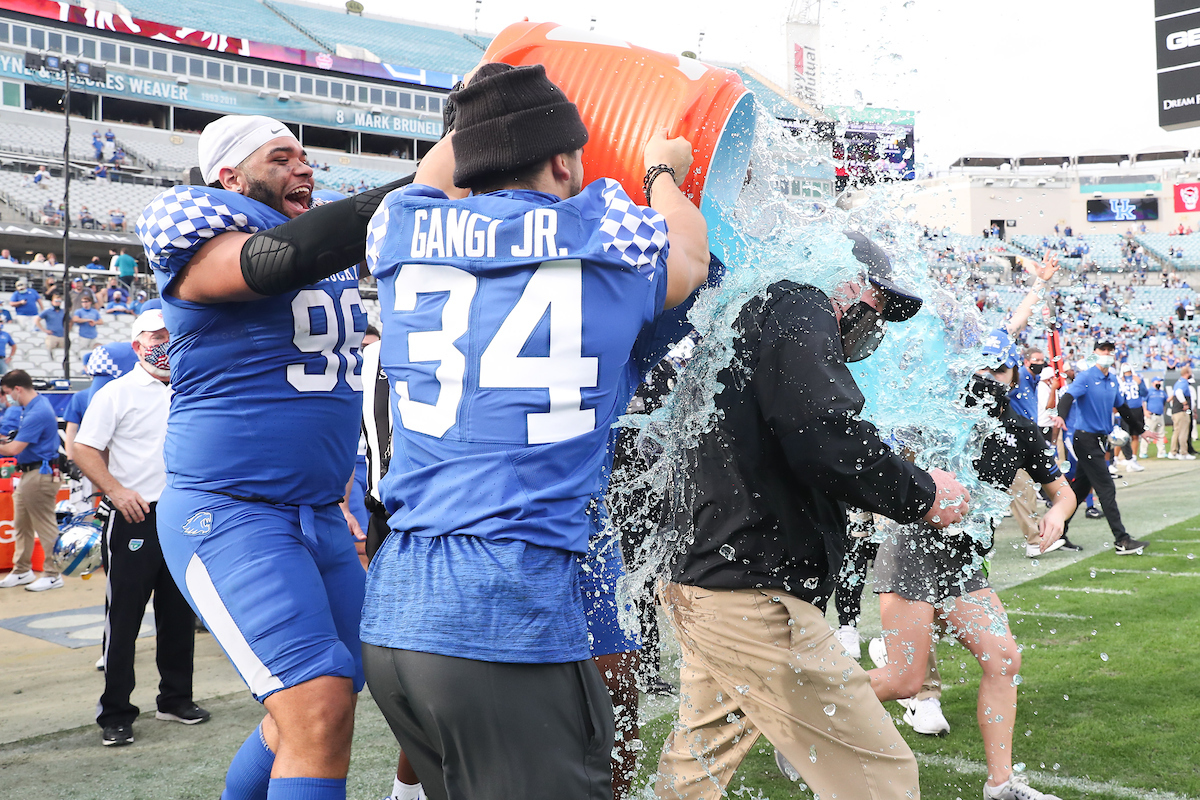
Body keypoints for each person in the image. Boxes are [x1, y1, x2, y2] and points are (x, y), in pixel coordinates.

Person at [361, 63, 709, 800]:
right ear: (562, 160)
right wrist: (661, 172)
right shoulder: (608, 228)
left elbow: (440, 167)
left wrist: (485, 102)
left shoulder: (398, 226)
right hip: (504, 613)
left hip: (396, 610)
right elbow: (692, 256)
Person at [136, 112, 413, 800]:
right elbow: (279, 259)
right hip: (231, 514)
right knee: (315, 710)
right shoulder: (199, 235)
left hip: (316, 513)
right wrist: (427, 180)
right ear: (229, 177)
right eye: (281, 156)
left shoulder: (321, 241)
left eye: (305, 156)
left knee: (364, 688)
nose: (304, 168)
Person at [653, 232, 967, 800]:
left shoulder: (752, 311)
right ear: (847, 282)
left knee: (695, 771)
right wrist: (922, 492)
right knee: (880, 777)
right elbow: (822, 432)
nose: (875, 325)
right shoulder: (799, 305)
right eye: (876, 307)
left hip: (710, 578)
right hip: (754, 592)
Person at [868, 328, 1075, 800]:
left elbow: (1061, 491)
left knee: (1004, 660)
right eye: (980, 369)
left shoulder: (1022, 430)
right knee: (905, 680)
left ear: (1013, 372)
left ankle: (1000, 785)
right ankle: (807, 717)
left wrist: (1057, 516)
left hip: (964, 565)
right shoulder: (938, 419)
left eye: (998, 369)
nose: (989, 380)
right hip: (912, 554)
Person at [74, 309, 210, 747]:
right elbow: (83, 448)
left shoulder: (192, 388)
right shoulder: (117, 393)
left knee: (178, 613)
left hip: (182, 517)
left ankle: (175, 698)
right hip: (135, 516)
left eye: (171, 334)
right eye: (155, 336)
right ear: (136, 345)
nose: (165, 342)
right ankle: (116, 712)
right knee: (125, 618)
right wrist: (115, 491)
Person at [1053, 342, 1150, 554]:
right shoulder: (1086, 377)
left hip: (1099, 440)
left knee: (1078, 492)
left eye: (1109, 351)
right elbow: (1068, 397)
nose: (1106, 354)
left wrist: (1141, 430)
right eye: (1102, 351)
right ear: (1094, 353)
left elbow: (1123, 408)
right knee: (1106, 487)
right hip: (1085, 439)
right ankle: (1121, 540)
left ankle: (1056, 534)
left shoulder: (1112, 380)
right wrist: (1061, 415)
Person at [0, 370, 65, 591]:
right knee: (22, 525)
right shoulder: (35, 406)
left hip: (39, 474)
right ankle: (22, 570)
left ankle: (53, 573)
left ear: (17, 389)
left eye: (7, 393)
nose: (8, 397)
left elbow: (13, 448)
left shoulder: (37, 412)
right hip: (30, 473)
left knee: (45, 526)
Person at [1115, 364, 1147, 471]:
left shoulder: (1137, 378)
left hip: (1137, 409)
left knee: (1135, 435)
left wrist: (1140, 383)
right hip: (1125, 409)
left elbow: (1144, 393)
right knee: (1122, 436)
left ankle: (1132, 460)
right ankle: (1114, 460)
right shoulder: (1119, 380)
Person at [1168, 366, 1195, 459]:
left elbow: (1173, 395)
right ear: (1187, 373)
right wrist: (1184, 403)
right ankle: (1183, 452)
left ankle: (1173, 452)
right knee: (1183, 432)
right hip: (1181, 411)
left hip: (1175, 411)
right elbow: (1179, 393)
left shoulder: (1178, 382)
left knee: (1176, 431)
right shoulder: (1184, 383)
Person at [36, 293, 66, 360]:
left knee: (62, 354)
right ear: (52, 302)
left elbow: (70, 321)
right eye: (56, 301)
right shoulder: (48, 311)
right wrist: (44, 330)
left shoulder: (63, 312)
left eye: (59, 302)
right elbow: (37, 320)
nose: (57, 303)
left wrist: (67, 330)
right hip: (52, 335)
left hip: (62, 335)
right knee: (50, 352)